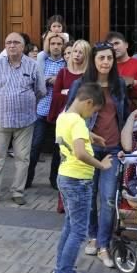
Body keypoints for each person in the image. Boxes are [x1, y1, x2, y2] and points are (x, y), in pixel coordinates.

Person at [66, 42, 129, 267]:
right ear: (93, 60)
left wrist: (126, 145)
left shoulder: (119, 84)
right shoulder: (80, 84)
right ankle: (92, 236)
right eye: (101, 58)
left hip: (113, 150)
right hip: (88, 150)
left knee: (109, 198)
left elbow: (125, 115)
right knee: (89, 197)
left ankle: (104, 244)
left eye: (109, 58)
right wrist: (87, 135)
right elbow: (69, 116)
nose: (105, 62)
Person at [49, 82, 113, 273]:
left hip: (65, 177)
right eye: (94, 110)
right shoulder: (77, 121)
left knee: (69, 227)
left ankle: (61, 272)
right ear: (88, 103)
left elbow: (74, 135)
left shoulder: (64, 116)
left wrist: (91, 136)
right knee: (78, 233)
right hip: (79, 181)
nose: (92, 114)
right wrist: (100, 164)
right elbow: (79, 152)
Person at [0, 32, 46, 205]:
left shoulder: (33, 66)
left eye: (15, 42)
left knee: (22, 158)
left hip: (24, 121)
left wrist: (23, 101)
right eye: (8, 42)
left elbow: (40, 91)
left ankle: (18, 192)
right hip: (0, 119)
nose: (11, 45)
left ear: (23, 46)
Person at [47, 40, 91, 188]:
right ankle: (55, 180)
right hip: (63, 119)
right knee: (59, 150)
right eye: (75, 52)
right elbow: (56, 95)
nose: (77, 55)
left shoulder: (88, 75)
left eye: (81, 53)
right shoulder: (63, 72)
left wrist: (67, 92)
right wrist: (70, 94)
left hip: (82, 120)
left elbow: (87, 98)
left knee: (77, 151)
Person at [27, 32, 66, 189]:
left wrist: (58, 80)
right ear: (48, 46)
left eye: (59, 44)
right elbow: (34, 80)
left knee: (58, 148)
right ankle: (27, 179)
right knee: (35, 145)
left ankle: (54, 179)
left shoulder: (67, 62)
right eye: (53, 44)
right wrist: (48, 79)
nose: (56, 46)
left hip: (60, 113)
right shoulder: (41, 61)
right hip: (42, 109)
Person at [106, 32, 137, 102]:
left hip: (133, 109)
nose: (114, 48)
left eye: (117, 43)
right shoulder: (105, 65)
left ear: (126, 45)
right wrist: (131, 83)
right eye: (111, 45)